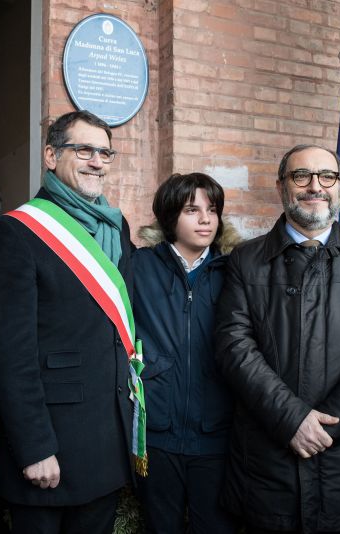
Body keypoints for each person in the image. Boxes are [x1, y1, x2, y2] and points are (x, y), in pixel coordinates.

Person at [214, 144, 340, 533]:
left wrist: (325, 428)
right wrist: (291, 420)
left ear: (338, 186)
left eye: (327, 176)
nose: (314, 186)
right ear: (282, 186)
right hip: (267, 461)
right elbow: (234, 346)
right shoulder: (246, 260)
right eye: (301, 176)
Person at [0, 110, 135, 533]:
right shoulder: (17, 232)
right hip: (52, 446)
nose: (97, 161)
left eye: (105, 152)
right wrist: (34, 448)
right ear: (51, 155)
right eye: (83, 150)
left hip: (107, 438)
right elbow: (9, 354)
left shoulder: (115, 227)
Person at [133, 172, 240, 534]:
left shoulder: (235, 270)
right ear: (169, 217)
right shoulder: (138, 267)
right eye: (192, 210)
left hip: (216, 433)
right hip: (158, 435)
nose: (206, 219)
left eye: (212, 210)